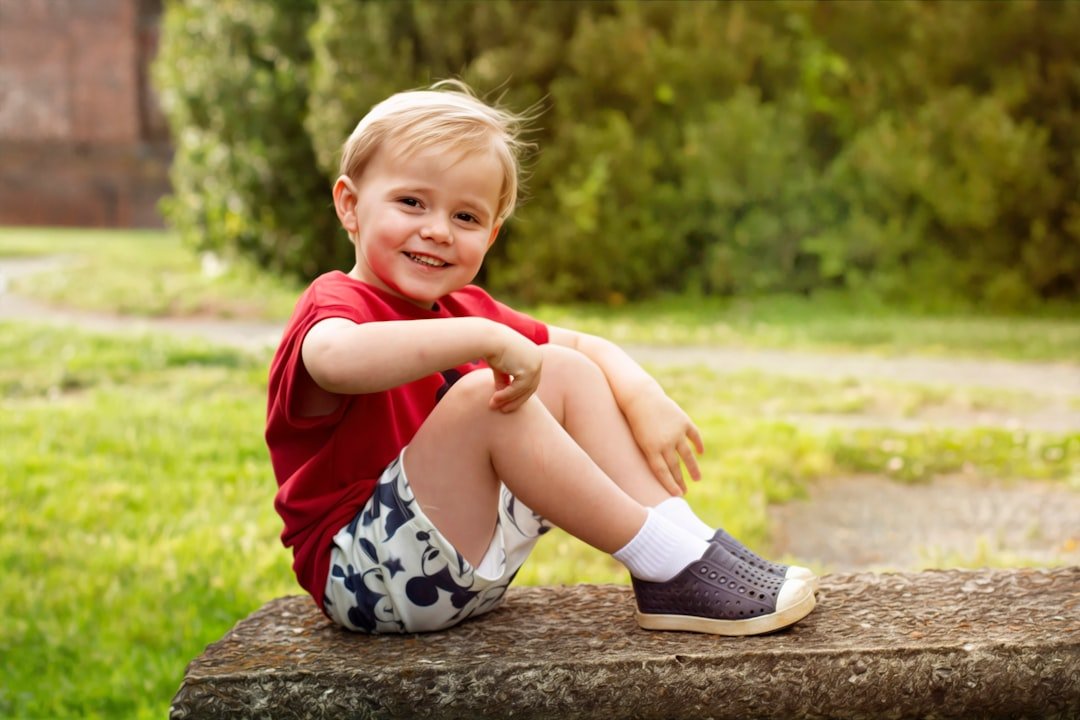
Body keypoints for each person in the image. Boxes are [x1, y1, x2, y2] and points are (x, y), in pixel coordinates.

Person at [265, 80, 818, 637]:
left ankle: (683, 545)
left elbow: (583, 349)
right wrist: (482, 338)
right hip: (366, 576)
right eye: (411, 202)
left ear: (492, 234)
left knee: (561, 367)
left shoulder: (462, 308)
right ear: (351, 206)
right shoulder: (336, 303)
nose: (436, 231)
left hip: (463, 562)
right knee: (484, 395)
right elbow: (335, 359)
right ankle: (663, 558)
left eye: (466, 218)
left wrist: (644, 394)